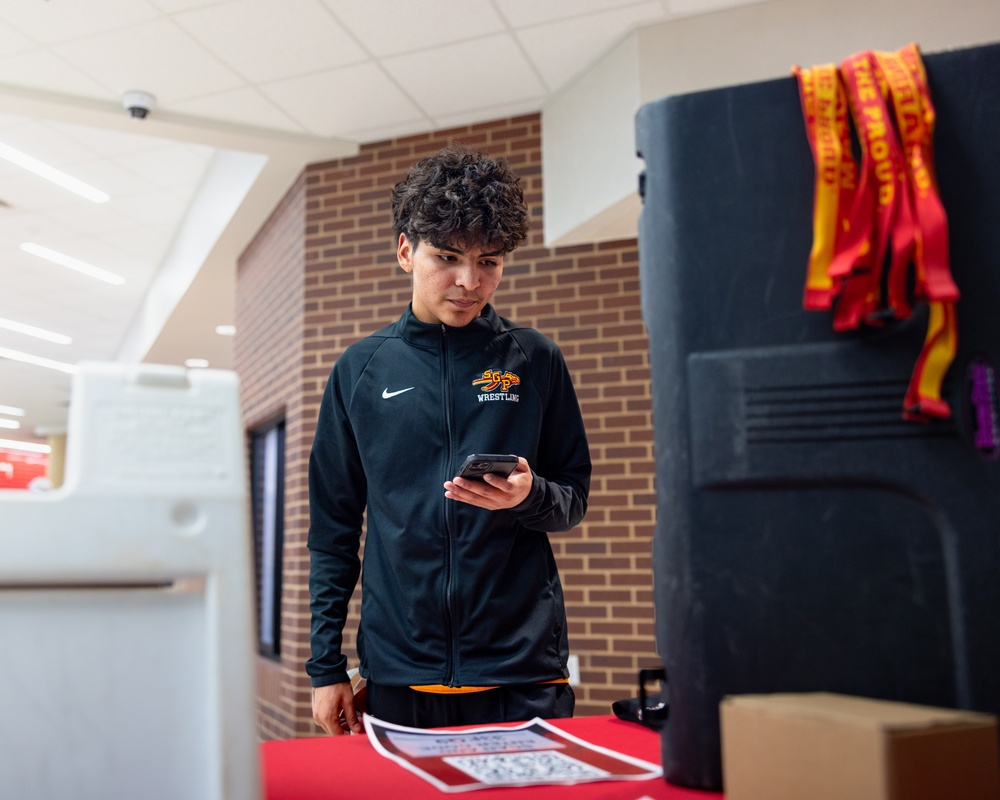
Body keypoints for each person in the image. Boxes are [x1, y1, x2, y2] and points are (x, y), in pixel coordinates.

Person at [307, 144, 591, 735]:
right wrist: (324, 665)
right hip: (400, 676)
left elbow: (573, 497)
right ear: (406, 250)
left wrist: (530, 496)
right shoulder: (361, 371)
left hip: (523, 675)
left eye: (489, 261)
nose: (469, 282)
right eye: (448, 257)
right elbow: (333, 532)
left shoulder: (533, 360)